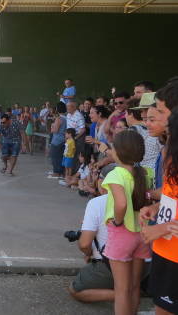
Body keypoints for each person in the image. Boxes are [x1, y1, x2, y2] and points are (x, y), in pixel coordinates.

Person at [102, 130, 152, 315]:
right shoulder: (145, 173)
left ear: (119, 151)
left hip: (122, 233)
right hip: (142, 234)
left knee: (121, 290)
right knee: (134, 286)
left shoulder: (116, 174)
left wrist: (117, 221)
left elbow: (121, 203)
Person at [140, 99, 178, 315]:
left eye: (159, 113)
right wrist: (156, 208)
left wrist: (160, 229)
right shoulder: (170, 153)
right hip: (165, 250)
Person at [68, 164, 116, 303]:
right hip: (145, 265)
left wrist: (89, 253)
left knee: (76, 289)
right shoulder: (140, 198)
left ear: (103, 182)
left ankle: (124, 295)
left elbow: (84, 244)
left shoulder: (98, 202)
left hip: (113, 262)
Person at [48, 102, 67, 179]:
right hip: (63, 139)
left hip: (57, 140)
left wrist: (52, 126)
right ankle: (61, 172)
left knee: (55, 156)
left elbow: (55, 130)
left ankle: (56, 172)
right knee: (60, 156)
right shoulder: (66, 117)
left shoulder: (59, 118)